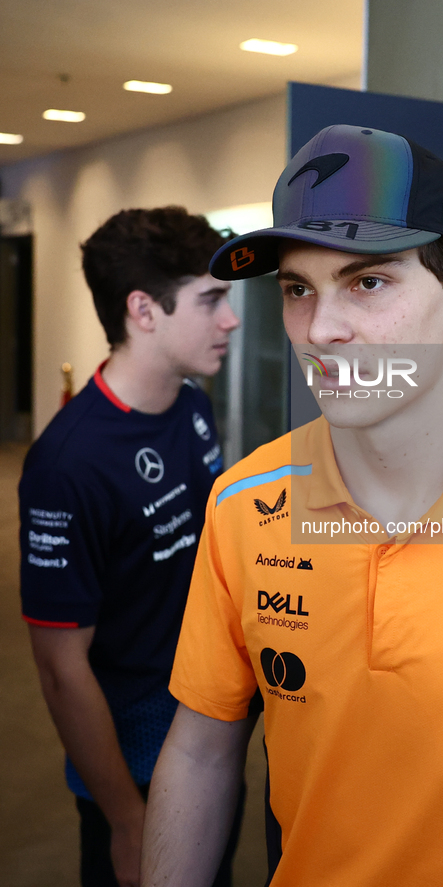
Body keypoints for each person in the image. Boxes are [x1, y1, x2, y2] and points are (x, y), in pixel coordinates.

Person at [142, 129, 443, 887]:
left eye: (367, 282)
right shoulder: (246, 503)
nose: (320, 331)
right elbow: (201, 746)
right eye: (297, 289)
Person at [19, 206, 242, 887]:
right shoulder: (69, 462)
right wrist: (125, 817)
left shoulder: (191, 404)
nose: (229, 319)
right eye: (210, 300)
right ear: (143, 310)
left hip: (210, 729)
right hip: (137, 764)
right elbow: (61, 667)